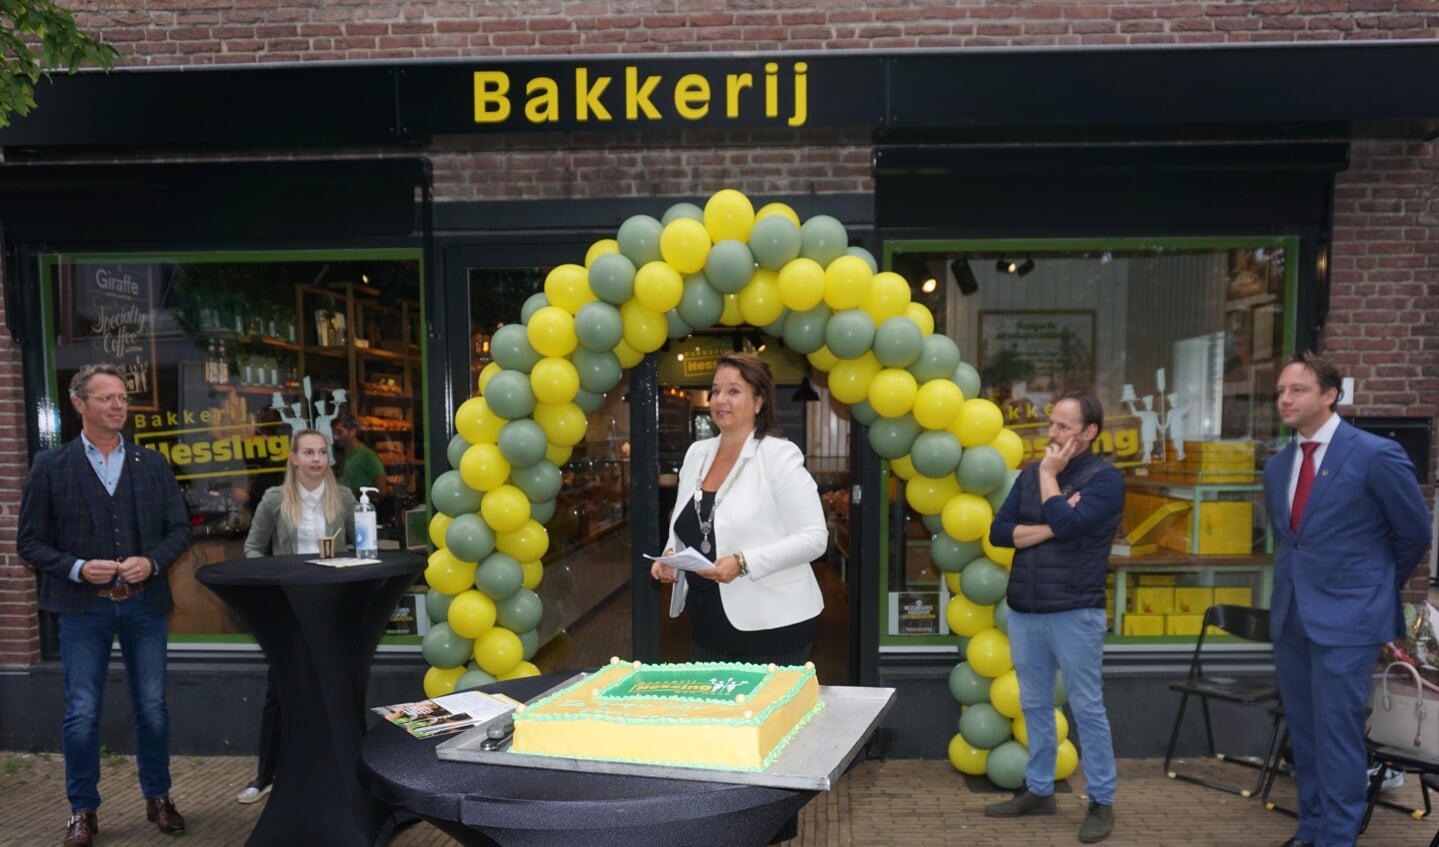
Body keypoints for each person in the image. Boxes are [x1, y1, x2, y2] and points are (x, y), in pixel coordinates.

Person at [17, 364, 192, 847]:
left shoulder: (151, 464)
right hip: (82, 608)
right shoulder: (50, 466)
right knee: (81, 711)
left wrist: (152, 563)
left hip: (143, 605)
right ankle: (82, 810)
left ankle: (159, 797)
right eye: (106, 398)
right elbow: (28, 542)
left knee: (153, 708)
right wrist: (76, 567)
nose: (119, 405)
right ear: (79, 405)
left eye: (122, 397)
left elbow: (179, 529)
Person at [1265, 351, 1430, 847]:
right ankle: (1311, 826)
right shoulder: (1278, 466)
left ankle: (1337, 837)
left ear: (1330, 395)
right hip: (1293, 617)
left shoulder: (1374, 454)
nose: (1284, 400)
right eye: (1280, 392)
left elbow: (1414, 533)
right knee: (1307, 734)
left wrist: (1371, 589)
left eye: (1297, 390)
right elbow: (1292, 541)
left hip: (1349, 621)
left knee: (1337, 736)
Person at [984, 391, 1126, 844]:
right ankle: (1040, 790)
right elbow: (1000, 532)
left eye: (1065, 427)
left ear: (1089, 433)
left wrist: (1049, 478)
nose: (1053, 434)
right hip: (1025, 611)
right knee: (1034, 705)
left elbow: (1070, 527)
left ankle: (1101, 800)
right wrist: (1051, 522)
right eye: (1053, 424)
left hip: (1075, 611)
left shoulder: (1105, 480)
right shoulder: (1029, 475)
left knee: (1086, 708)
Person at [651, 352, 829, 666]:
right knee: (713, 714)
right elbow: (686, 521)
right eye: (716, 390)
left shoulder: (779, 456)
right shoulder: (696, 453)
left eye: (733, 391)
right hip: (706, 621)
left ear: (759, 401)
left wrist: (743, 562)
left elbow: (814, 538)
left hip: (773, 624)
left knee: (768, 714)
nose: (721, 399)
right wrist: (670, 557)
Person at [236, 429, 356, 804]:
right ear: (293, 458)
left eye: (322, 452)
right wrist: (272, 583)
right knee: (280, 690)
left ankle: (338, 772)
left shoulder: (345, 497)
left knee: (334, 687)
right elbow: (253, 548)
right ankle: (264, 776)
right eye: (308, 452)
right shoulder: (274, 499)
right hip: (287, 605)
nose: (316, 459)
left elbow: (356, 546)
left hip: (332, 604)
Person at [332, 416, 391, 500]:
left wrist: (350, 492)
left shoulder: (368, 456)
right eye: (333, 433)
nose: (335, 437)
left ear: (352, 432)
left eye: (339, 432)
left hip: (364, 509)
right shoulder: (345, 456)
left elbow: (381, 491)